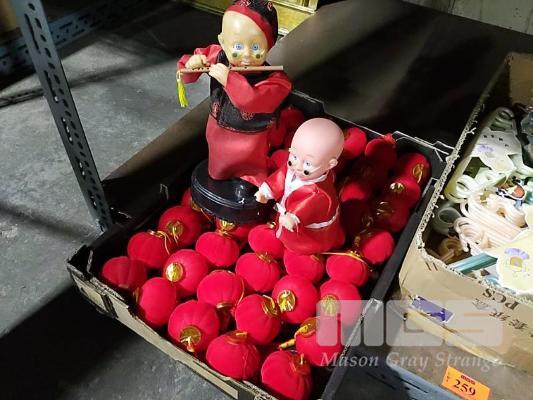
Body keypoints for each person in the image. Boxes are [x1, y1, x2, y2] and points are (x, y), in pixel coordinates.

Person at [177, 0, 292, 187]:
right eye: (237, 47)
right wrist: (192, 64)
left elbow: (254, 101)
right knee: (219, 162)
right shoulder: (218, 56)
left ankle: (252, 180)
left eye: (256, 48)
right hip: (219, 130)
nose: (246, 54)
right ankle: (218, 175)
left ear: (270, 45)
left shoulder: (276, 79)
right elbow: (186, 73)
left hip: (253, 138)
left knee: (253, 163)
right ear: (222, 41)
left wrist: (229, 80)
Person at [255, 118, 345, 254]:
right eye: (294, 156)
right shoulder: (293, 169)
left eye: (308, 163)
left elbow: (308, 207)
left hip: (306, 231)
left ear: (330, 164)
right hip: (286, 213)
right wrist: (266, 191)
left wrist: (293, 217)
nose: (297, 166)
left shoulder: (320, 193)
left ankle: (296, 247)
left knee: (295, 240)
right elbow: (280, 177)